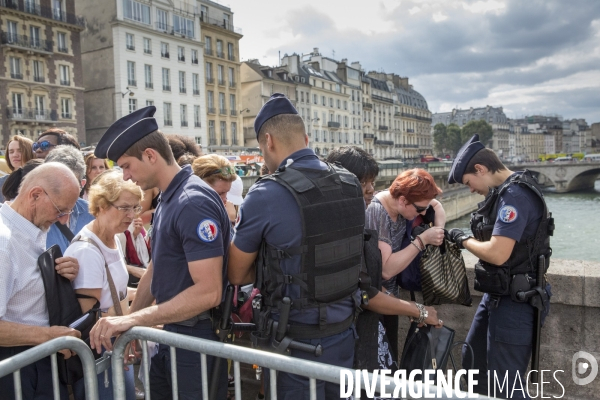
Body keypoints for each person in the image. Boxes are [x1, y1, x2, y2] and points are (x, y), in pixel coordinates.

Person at [228, 94, 442, 399]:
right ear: (306, 138)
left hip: (293, 345)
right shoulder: (350, 185)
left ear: (268, 140)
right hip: (344, 338)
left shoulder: (266, 194)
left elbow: (236, 275)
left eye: (262, 149)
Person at [88, 106, 231, 400]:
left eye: (127, 166)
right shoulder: (171, 196)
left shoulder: (191, 201)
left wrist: (132, 321)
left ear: (151, 155)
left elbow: (208, 292)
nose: (126, 177)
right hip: (174, 336)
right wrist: (133, 323)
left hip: (195, 340)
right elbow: (157, 268)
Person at [445, 135, 553, 399]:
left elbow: (497, 254)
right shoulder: (505, 193)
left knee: (506, 385)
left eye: (469, 182)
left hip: (515, 302)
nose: (470, 190)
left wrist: (463, 239)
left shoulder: (515, 196)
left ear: (480, 169)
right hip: (498, 296)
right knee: (473, 366)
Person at [0, 162, 83, 400]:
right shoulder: (4, 242)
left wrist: (60, 274)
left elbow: (24, 287)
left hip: (33, 359)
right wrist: (47, 336)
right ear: (35, 195)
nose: (61, 219)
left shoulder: (27, 227)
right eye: (60, 210)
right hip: (16, 366)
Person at [65, 169, 141, 400]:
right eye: (124, 207)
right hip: (99, 354)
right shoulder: (87, 250)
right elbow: (90, 316)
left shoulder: (114, 237)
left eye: (135, 207)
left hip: (115, 348)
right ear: (101, 206)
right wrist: (137, 320)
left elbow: (114, 291)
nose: (131, 214)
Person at [45, 145, 96, 253]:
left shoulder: (93, 214)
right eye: (56, 183)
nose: (61, 191)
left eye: (69, 185)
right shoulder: (32, 217)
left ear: (82, 184)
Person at [0, 135, 35, 203]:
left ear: (30, 152)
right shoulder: (1, 182)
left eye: (20, 151)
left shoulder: (39, 180)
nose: (15, 155)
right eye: (11, 152)